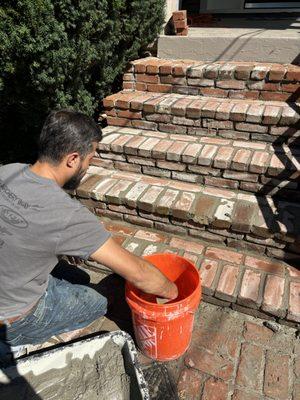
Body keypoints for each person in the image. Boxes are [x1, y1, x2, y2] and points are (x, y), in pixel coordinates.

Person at [0, 109, 178, 358]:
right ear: (73, 159)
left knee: (80, 277)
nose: (88, 166)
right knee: (108, 295)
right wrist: (174, 292)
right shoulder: (66, 215)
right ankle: (15, 345)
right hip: (14, 320)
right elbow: (138, 274)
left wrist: (61, 246)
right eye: (90, 158)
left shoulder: (8, 171)